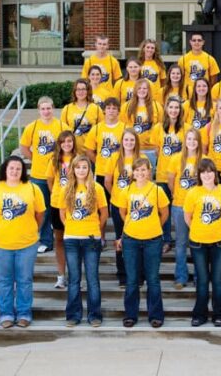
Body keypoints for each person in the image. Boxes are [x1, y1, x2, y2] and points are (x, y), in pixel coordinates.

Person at [0, 156, 46, 328]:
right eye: (12, 168)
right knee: (4, 280)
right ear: (5, 170)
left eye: (18, 168)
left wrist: (32, 230)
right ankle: (6, 314)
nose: (15, 171)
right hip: (1, 245)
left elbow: (40, 214)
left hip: (27, 245)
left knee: (25, 280)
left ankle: (24, 313)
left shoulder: (32, 189)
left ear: (23, 171)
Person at [116, 158, 170, 328]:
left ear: (150, 171)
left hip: (153, 240)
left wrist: (152, 226)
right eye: (137, 170)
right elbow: (122, 212)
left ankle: (155, 315)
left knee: (153, 279)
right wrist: (134, 225)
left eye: (144, 170)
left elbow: (164, 213)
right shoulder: (127, 190)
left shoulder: (157, 190)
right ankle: (131, 314)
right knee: (132, 279)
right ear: (133, 172)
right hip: (131, 239)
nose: (140, 173)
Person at [183, 159, 221, 327]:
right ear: (199, 175)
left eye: (210, 171)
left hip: (219, 242)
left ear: (215, 173)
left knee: (218, 279)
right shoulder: (193, 192)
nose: (207, 175)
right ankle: (200, 314)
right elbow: (187, 216)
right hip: (198, 243)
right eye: (203, 172)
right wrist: (198, 229)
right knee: (203, 279)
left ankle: (220, 314)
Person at [60, 155, 108, 327]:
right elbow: (62, 213)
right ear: (73, 169)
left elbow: (104, 214)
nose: (81, 170)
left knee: (92, 279)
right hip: (71, 239)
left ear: (89, 169)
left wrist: (93, 228)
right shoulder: (67, 188)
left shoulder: (97, 188)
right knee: (73, 278)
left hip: (91, 239)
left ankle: (95, 315)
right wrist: (72, 228)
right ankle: (73, 315)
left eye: (84, 167)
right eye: (78, 167)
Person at [102, 129, 148, 287]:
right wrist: (116, 195)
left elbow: (147, 181)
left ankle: (140, 274)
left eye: (132, 140)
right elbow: (108, 181)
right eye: (126, 140)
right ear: (122, 141)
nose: (129, 143)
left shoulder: (142, 158)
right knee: (120, 239)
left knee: (140, 239)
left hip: (138, 206)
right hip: (118, 205)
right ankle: (122, 274)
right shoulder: (114, 158)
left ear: (136, 141)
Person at [19, 96, 65, 253]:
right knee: (42, 208)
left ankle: (64, 237)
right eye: (43, 109)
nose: (46, 111)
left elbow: (68, 147)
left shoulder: (61, 126)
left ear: (53, 108)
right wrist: (36, 159)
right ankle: (46, 240)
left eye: (49, 108)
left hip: (59, 176)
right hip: (39, 175)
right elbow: (24, 147)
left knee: (61, 207)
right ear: (39, 110)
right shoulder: (32, 127)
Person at [166, 128, 204, 289]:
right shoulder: (176, 159)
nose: (192, 142)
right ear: (185, 141)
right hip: (180, 206)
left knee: (198, 243)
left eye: (195, 139)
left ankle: (199, 276)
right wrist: (177, 196)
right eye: (189, 139)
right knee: (181, 243)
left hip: (200, 208)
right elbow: (170, 181)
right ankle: (181, 277)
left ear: (199, 142)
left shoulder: (204, 160)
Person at [150, 97, 185, 253]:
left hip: (181, 177)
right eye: (171, 107)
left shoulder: (186, 128)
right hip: (163, 175)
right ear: (166, 109)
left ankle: (183, 239)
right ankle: (166, 239)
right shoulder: (158, 128)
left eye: (176, 107)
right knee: (164, 209)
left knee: (181, 210)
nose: (173, 110)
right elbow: (157, 151)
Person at [46, 130, 79, 289]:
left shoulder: (78, 159)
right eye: (63, 141)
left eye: (70, 141)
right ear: (59, 144)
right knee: (59, 240)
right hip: (58, 204)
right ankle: (61, 276)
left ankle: (76, 277)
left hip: (76, 204)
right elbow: (50, 181)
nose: (67, 144)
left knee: (75, 241)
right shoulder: (54, 160)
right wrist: (58, 195)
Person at [119, 78, 163, 170]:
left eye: (144, 88)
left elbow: (161, 129)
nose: (142, 91)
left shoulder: (156, 106)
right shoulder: (126, 106)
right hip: (132, 150)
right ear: (135, 90)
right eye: (139, 88)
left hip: (151, 150)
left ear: (149, 90)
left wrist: (158, 149)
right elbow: (122, 128)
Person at [85, 97, 124, 191]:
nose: (111, 111)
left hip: (119, 171)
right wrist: (98, 162)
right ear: (104, 111)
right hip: (101, 171)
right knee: (102, 201)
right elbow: (89, 150)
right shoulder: (96, 128)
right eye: (108, 108)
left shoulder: (124, 128)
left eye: (114, 108)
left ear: (118, 111)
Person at [61, 78, 102, 153]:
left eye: (83, 89)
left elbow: (101, 131)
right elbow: (63, 133)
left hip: (90, 152)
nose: (81, 92)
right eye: (78, 89)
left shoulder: (96, 108)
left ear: (88, 91)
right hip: (72, 152)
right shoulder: (67, 109)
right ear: (74, 91)